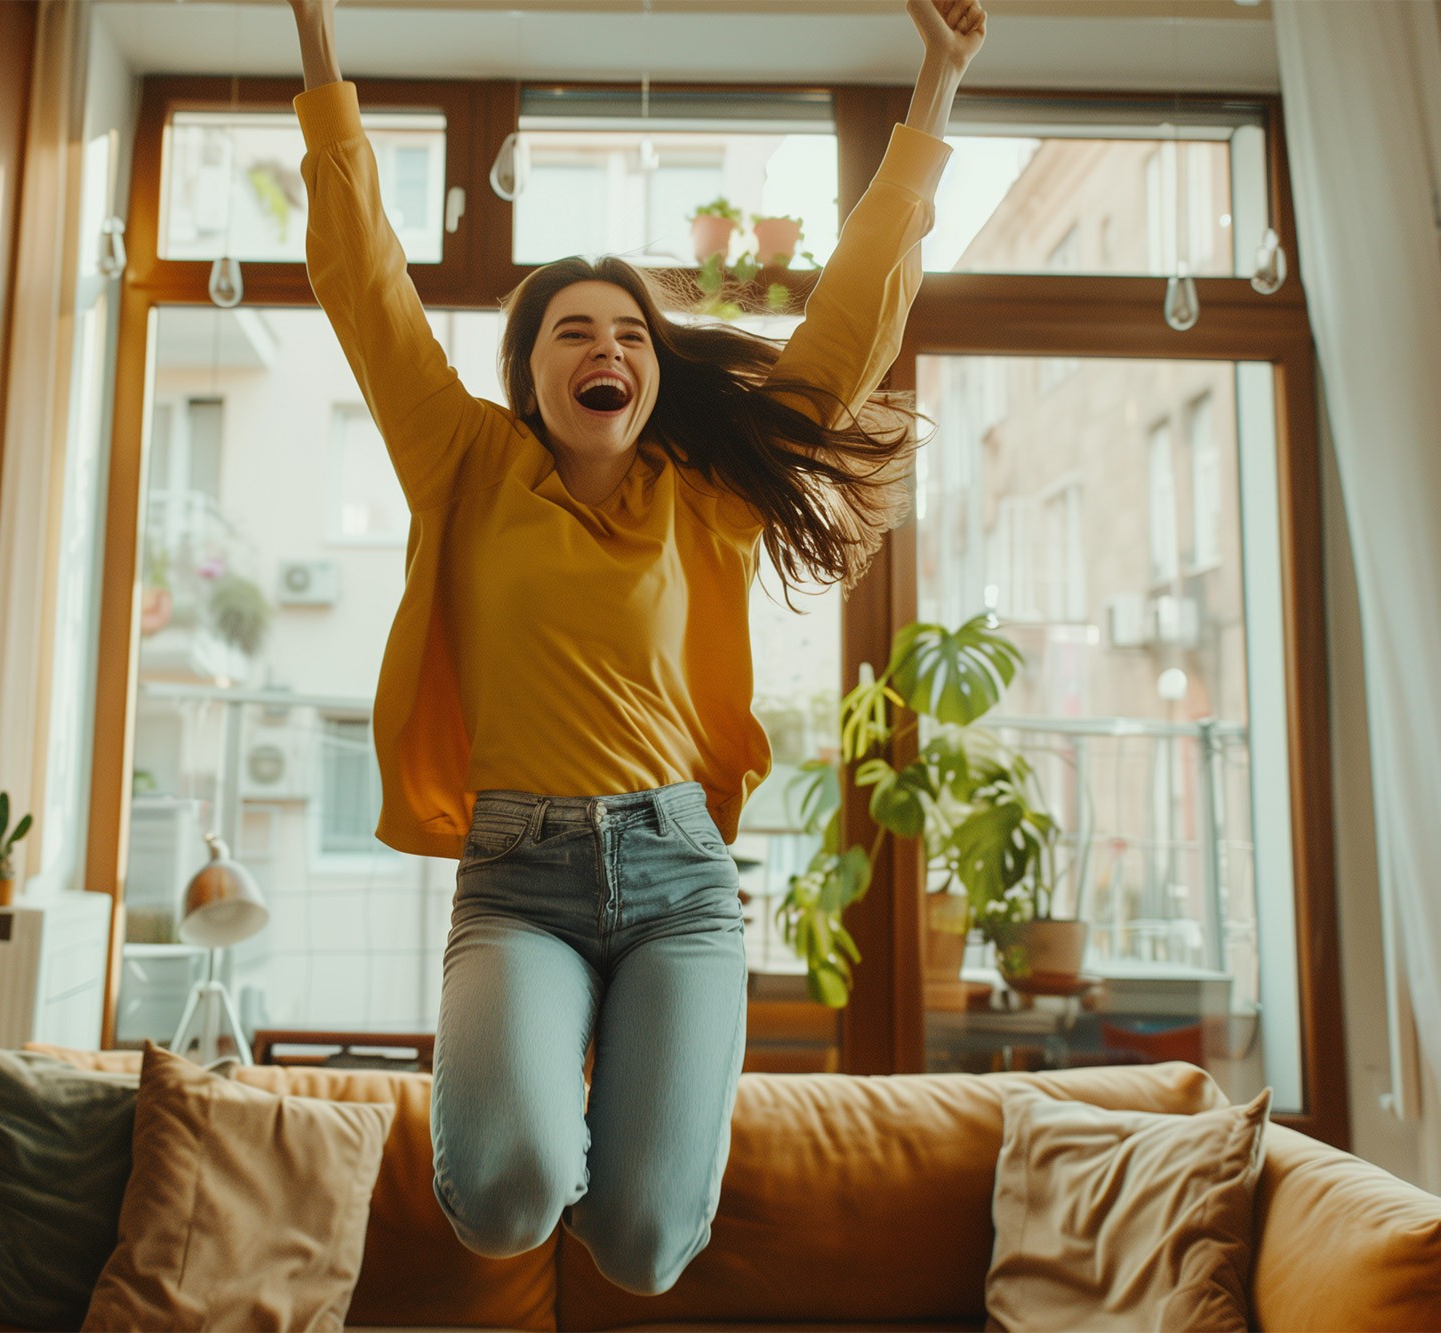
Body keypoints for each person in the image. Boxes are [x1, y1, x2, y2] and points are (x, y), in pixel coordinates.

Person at [283, 0, 986, 1297]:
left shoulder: (702, 491)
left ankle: (619, 1104)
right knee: (501, 1198)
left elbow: (852, 319)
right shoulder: (464, 461)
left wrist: (934, 87)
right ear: (531, 372)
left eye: (630, 334)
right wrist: (319, 47)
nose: (608, 347)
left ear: (653, 373)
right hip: (519, 878)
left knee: (651, 1245)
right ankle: (542, 1100)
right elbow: (362, 275)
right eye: (574, 331)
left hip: (679, 882)